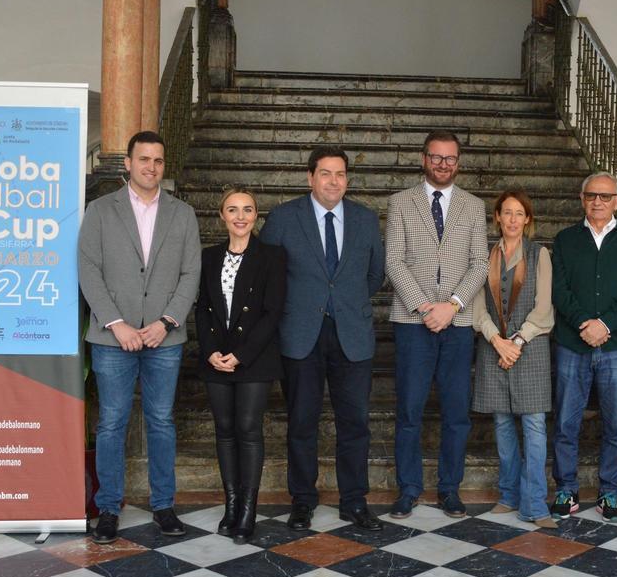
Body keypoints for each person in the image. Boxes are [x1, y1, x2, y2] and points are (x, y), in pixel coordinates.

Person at [79, 130, 201, 545]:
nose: (151, 167)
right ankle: (109, 507)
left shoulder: (182, 214)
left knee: (161, 421)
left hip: (164, 338)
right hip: (113, 338)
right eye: (144, 159)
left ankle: (164, 505)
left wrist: (166, 321)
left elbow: (191, 274)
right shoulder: (99, 210)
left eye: (158, 160)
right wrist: (117, 323)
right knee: (112, 422)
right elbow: (88, 270)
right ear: (128, 164)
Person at [259, 146, 385, 532]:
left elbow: (375, 274)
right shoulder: (283, 218)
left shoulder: (365, 219)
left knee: (355, 423)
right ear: (310, 177)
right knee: (301, 421)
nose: (334, 181)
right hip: (301, 334)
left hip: (351, 332)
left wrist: (344, 302)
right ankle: (302, 499)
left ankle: (354, 500)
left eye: (341, 174)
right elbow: (267, 273)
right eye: (326, 173)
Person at [385, 130, 489, 518]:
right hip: (413, 321)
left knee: (456, 411)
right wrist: (425, 306)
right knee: (409, 410)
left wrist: (452, 305)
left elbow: (480, 263)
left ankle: (449, 488)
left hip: (458, 322)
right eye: (436, 157)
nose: (443, 164)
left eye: (450, 158)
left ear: (458, 163)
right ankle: (408, 488)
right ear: (423, 158)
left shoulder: (473, 206)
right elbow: (394, 261)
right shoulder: (400, 203)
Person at [550, 171, 617, 522]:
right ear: (581, 198)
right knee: (565, 421)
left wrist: (605, 324)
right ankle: (567, 489)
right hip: (571, 344)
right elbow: (558, 289)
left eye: (605, 196)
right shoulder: (564, 240)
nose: (598, 202)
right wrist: (584, 323)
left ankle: (610, 493)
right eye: (591, 195)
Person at [195, 187, 286, 544]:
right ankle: (230, 505)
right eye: (232, 209)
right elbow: (202, 308)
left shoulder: (272, 256)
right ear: (221, 216)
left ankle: (248, 510)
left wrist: (243, 354)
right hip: (216, 356)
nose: (240, 216)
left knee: (248, 429)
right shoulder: (209, 256)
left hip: (255, 358)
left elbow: (273, 311)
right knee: (225, 429)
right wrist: (211, 350)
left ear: (256, 215)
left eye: (247, 209)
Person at [472, 191, 556, 528]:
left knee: (534, 427)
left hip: (530, 349)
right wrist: (497, 340)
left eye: (519, 213)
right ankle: (508, 495)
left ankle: (535, 504)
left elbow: (544, 306)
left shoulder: (540, 254)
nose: (512, 219)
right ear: (496, 217)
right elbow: (477, 304)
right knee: (503, 425)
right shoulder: (484, 255)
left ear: (527, 220)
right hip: (493, 348)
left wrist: (516, 343)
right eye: (506, 213)